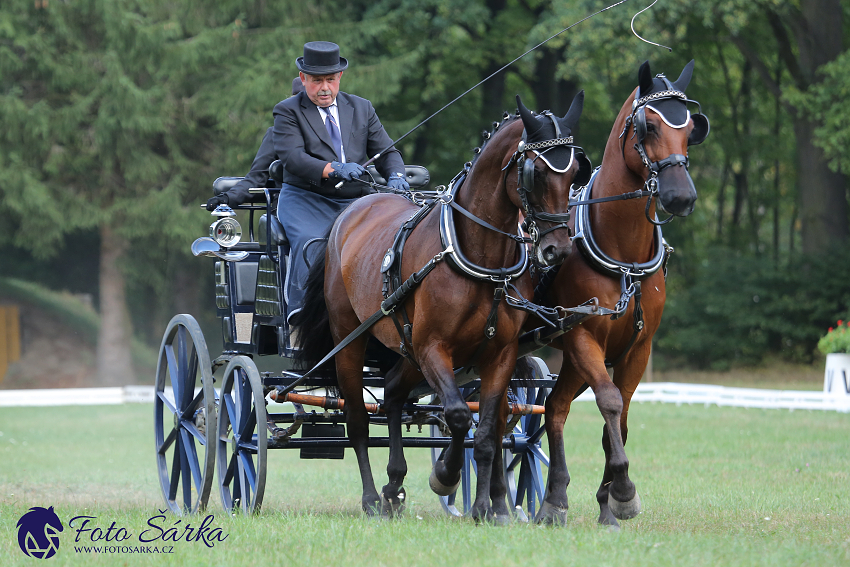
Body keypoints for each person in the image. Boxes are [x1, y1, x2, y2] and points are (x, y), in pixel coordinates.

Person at [273, 41, 409, 322]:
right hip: (305, 199)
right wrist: (333, 168)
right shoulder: (288, 111)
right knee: (312, 244)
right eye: (316, 81)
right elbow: (292, 158)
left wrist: (396, 176)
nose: (324, 88)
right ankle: (302, 313)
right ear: (303, 79)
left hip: (356, 202)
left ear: (339, 78)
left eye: (330, 80)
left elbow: (387, 152)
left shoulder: (361, 108)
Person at [206, 77, 305, 211]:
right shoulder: (276, 133)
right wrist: (228, 198)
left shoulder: (335, 132)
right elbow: (256, 178)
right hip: (291, 208)